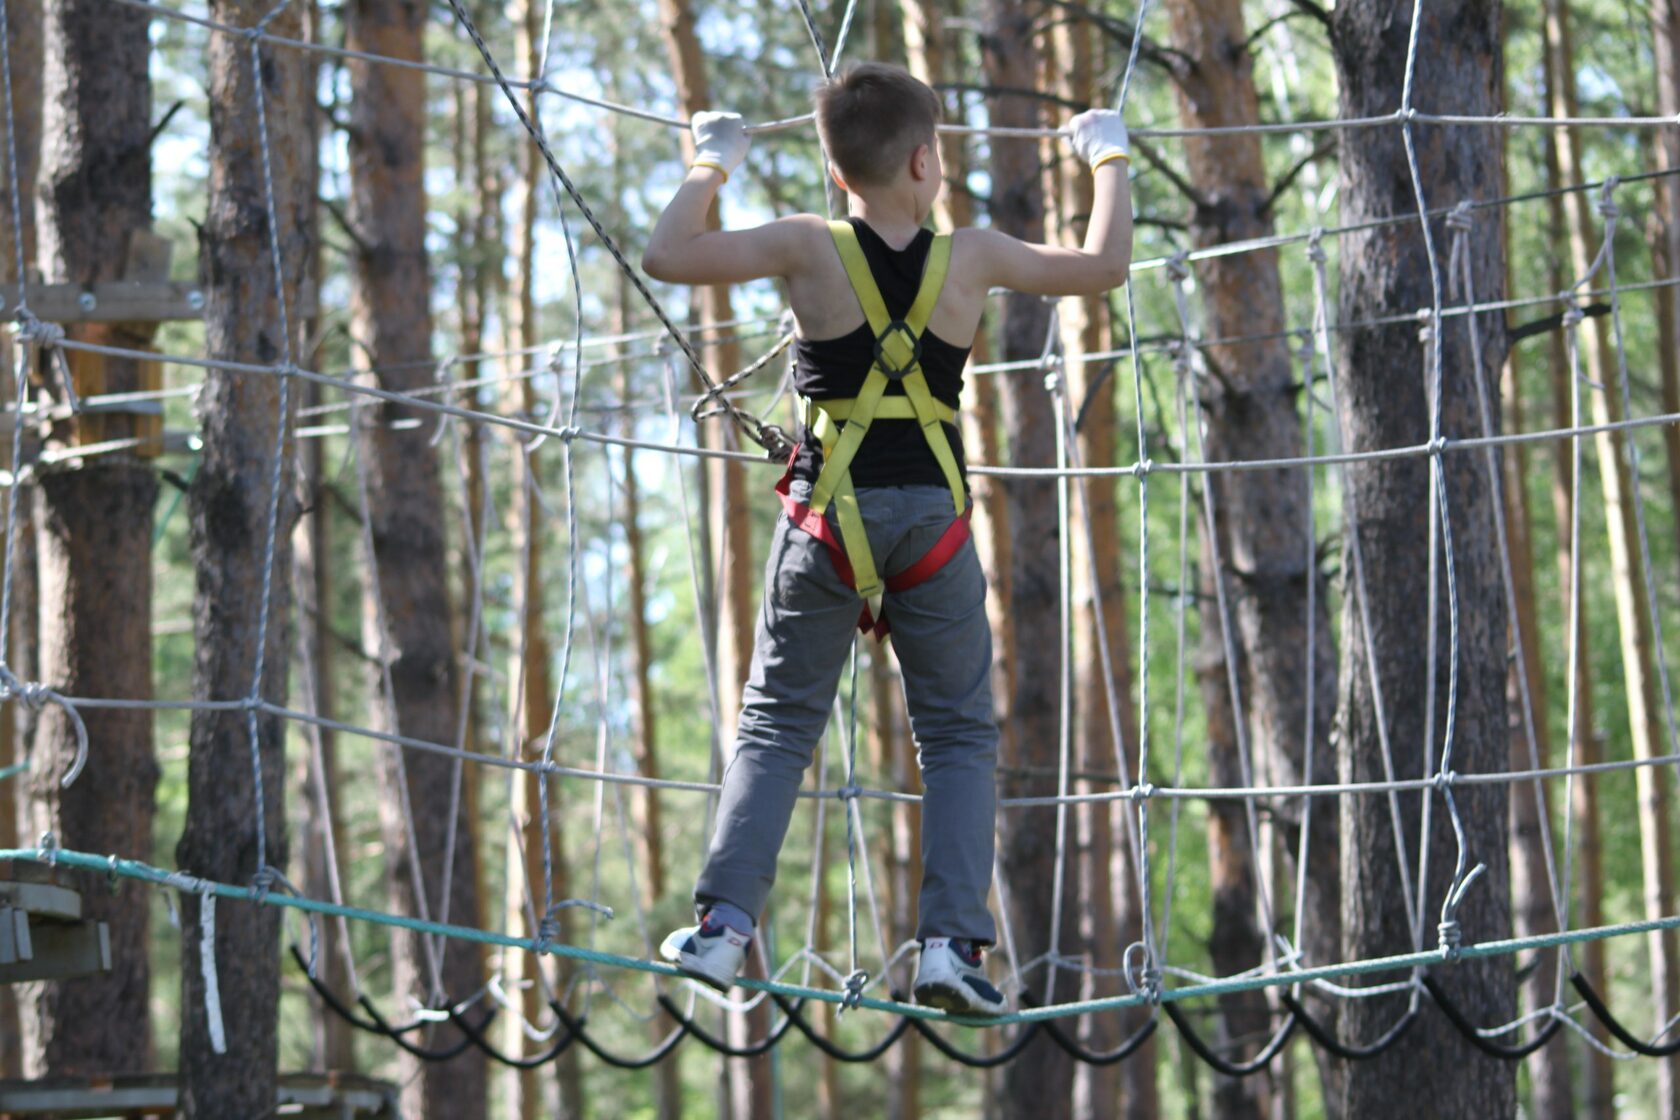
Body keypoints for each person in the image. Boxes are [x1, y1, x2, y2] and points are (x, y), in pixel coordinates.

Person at [642, 62, 1133, 1016]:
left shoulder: (805, 245)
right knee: (955, 736)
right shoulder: (978, 256)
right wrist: (1106, 153)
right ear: (924, 160)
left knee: (779, 724)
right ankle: (953, 947)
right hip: (933, 532)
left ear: (838, 177)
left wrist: (712, 163)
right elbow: (1103, 267)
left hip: (828, 521)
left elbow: (668, 255)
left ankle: (722, 930)